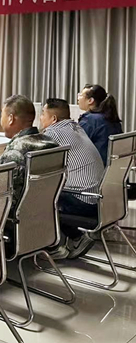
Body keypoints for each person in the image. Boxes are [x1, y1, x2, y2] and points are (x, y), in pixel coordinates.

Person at [40, 98, 105, 259]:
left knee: (37, 195)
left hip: (84, 201)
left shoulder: (53, 133)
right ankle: (73, 238)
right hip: (101, 199)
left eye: (42, 114)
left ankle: (58, 245)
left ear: (53, 118)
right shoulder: (77, 128)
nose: (40, 118)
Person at [0, 95, 59, 207]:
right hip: (45, 209)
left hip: (14, 213)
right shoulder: (51, 143)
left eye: (2, 115)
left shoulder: (15, 152)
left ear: (10, 119)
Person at [78, 84, 123, 166]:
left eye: (81, 95)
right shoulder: (111, 118)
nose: (78, 98)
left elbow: (76, 146)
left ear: (90, 100)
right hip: (111, 168)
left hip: (94, 168)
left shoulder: (89, 121)